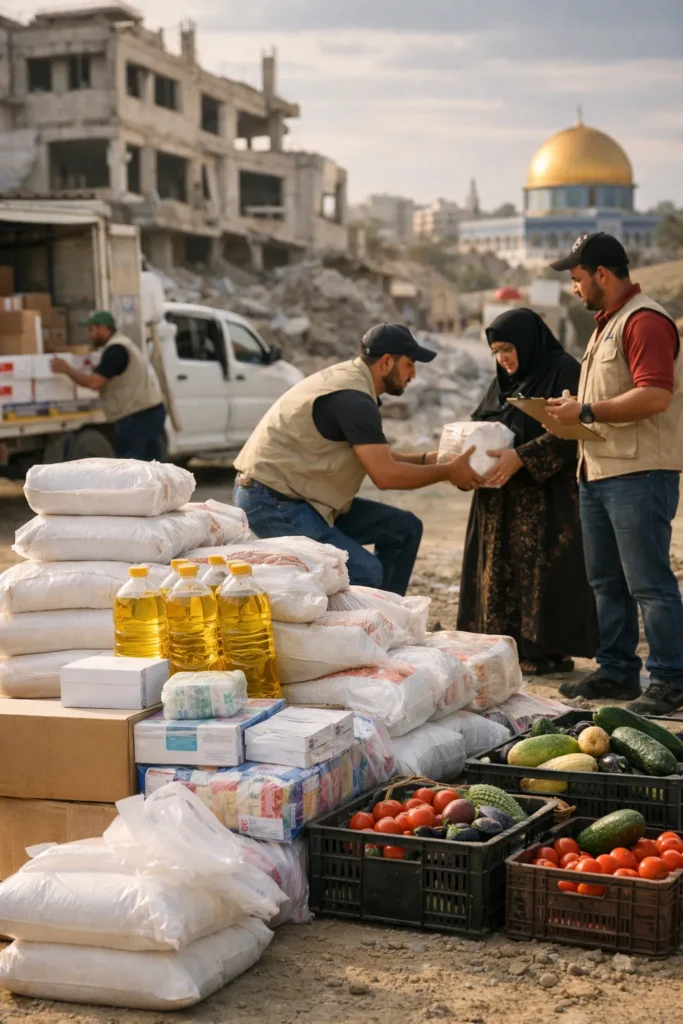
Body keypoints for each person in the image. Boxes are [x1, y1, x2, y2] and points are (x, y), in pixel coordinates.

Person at [233, 322, 485, 595]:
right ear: (387, 362)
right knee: (365, 571)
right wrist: (448, 472)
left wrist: (430, 459)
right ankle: (359, 630)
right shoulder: (353, 399)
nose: (413, 373)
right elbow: (385, 476)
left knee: (404, 529)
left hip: (305, 498)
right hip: (272, 500)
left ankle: (387, 621)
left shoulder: (353, 383)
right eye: (409, 364)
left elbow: (376, 456)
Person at [547, 232, 683, 714]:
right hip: (602, 472)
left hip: (640, 475)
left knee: (649, 581)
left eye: (578, 279)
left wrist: (583, 411)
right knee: (607, 581)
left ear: (602, 274)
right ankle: (618, 671)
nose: (575, 289)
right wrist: (576, 410)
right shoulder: (609, 324)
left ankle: (670, 679)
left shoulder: (644, 321)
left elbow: (654, 396)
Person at [457, 308, 598, 674]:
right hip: (497, 496)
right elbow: (481, 421)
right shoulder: (503, 382)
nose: (502, 359)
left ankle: (547, 652)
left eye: (507, 349)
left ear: (526, 342)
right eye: (496, 352)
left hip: (544, 499)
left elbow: (576, 432)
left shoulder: (562, 370)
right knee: (499, 574)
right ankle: (508, 649)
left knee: (542, 575)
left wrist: (522, 456)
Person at [50, 310, 166, 461]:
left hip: (136, 416)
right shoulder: (122, 344)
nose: (89, 335)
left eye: (91, 330)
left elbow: (94, 382)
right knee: (151, 465)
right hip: (149, 411)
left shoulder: (116, 350)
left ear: (103, 328)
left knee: (131, 465)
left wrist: (67, 370)